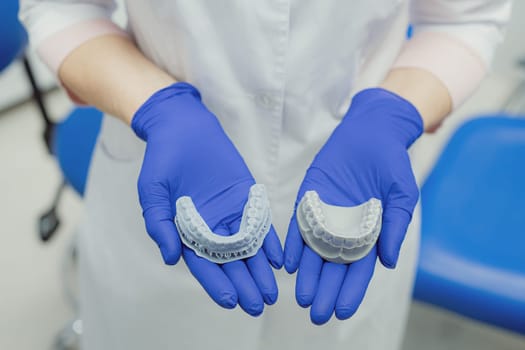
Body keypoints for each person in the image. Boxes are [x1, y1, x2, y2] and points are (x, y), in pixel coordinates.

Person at [20, 1, 511, 349]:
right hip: (159, 193)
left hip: (360, 187)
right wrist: (157, 105)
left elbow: (465, 18)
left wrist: (397, 110)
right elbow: (62, 8)